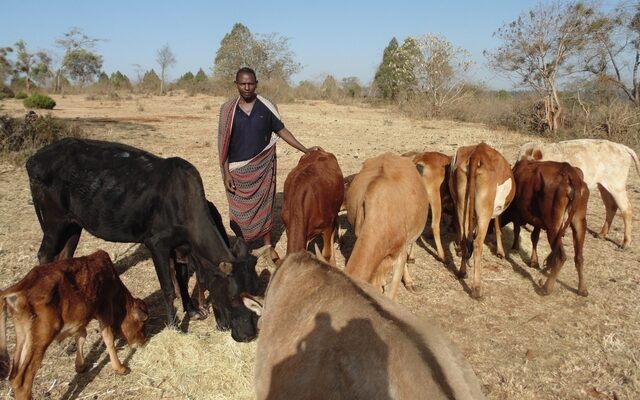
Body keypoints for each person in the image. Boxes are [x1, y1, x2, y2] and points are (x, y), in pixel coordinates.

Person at [218, 67, 319, 261]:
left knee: (266, 207)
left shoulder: (266, 106)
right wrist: (226, 173)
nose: (247, 87)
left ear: (256, 83)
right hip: (237, 171)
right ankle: (243, 246)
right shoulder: (227, 110)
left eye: (250, 83)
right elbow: (223, 144)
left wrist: (305, 150)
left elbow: (282, 130)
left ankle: (267, 246)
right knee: (239, 213)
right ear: (236, 84)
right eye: (242, 83)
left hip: (263, 168)